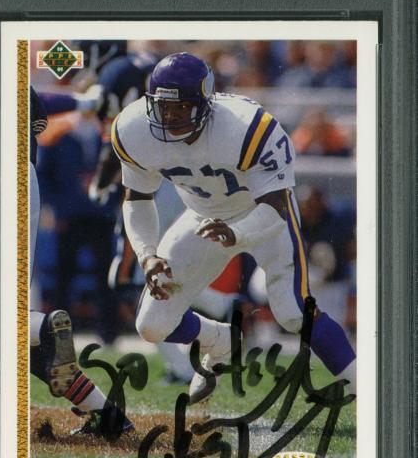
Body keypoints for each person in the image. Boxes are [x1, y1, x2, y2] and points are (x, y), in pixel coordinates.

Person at [111, 52, 356, 404]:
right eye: (164, 107)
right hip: (202, 215)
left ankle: (367, 389)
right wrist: (147, 254)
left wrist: (237, 233)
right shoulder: (134, 128)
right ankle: (221, 340)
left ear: (204, 105)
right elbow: (137, 199)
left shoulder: (246, 127)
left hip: (262, 212)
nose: (171, 116)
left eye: (181, 107)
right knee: (151, 325)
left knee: (293, 312)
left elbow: (276, 205)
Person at [29, 86, 133, 436]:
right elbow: (37, 106)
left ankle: (40, 326)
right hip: (20, 179)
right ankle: (106, 414)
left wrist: (83, 102)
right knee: (8, 338)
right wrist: (83, 101)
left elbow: (33, 103)